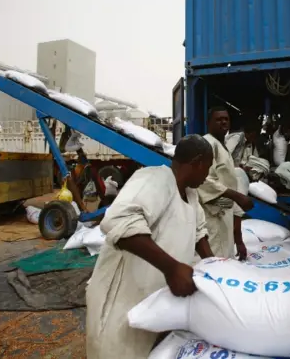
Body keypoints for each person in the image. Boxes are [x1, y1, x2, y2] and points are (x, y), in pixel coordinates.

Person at [86, 135, 216, 358]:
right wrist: (171, 268)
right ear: (197, 162)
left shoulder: (191, 196)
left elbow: (199, 234)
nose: (207, 176)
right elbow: (118, 221)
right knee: (117, 349)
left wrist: (217, 271)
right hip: (123, 298)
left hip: (154, 300)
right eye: (207, 168)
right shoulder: (155, 179)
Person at [198, 106, 254, 259]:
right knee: (213, 258)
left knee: (224, 257)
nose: (223, 122)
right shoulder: (207, 144)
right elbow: (204, 179)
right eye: (218, 119)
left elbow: (229, 182)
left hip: (225, 215)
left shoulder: (224, 148)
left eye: (226, 119)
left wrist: (239, 240)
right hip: (212, 213)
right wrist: (236, 196)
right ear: (209, 123)